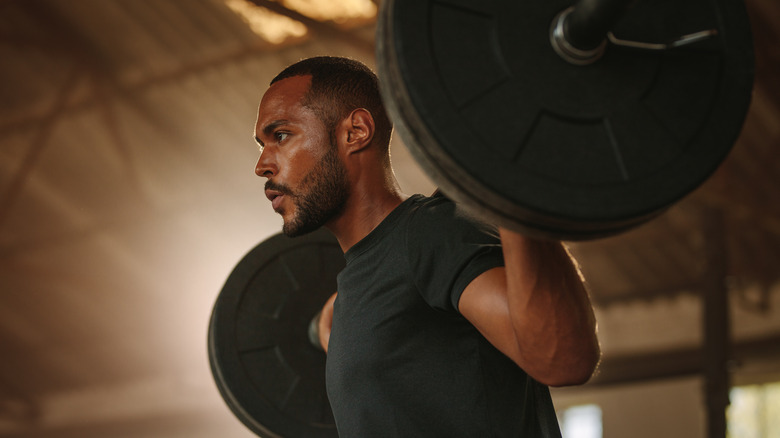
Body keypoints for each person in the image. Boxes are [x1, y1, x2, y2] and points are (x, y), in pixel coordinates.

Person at [253, 56, 600, 437]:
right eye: (261, 145)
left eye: (281, 136)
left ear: (356, 131)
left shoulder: (431, 234)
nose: (263, 165)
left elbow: (563, 359)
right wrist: (332, 317)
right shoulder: (361, 281)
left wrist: (510, 182)